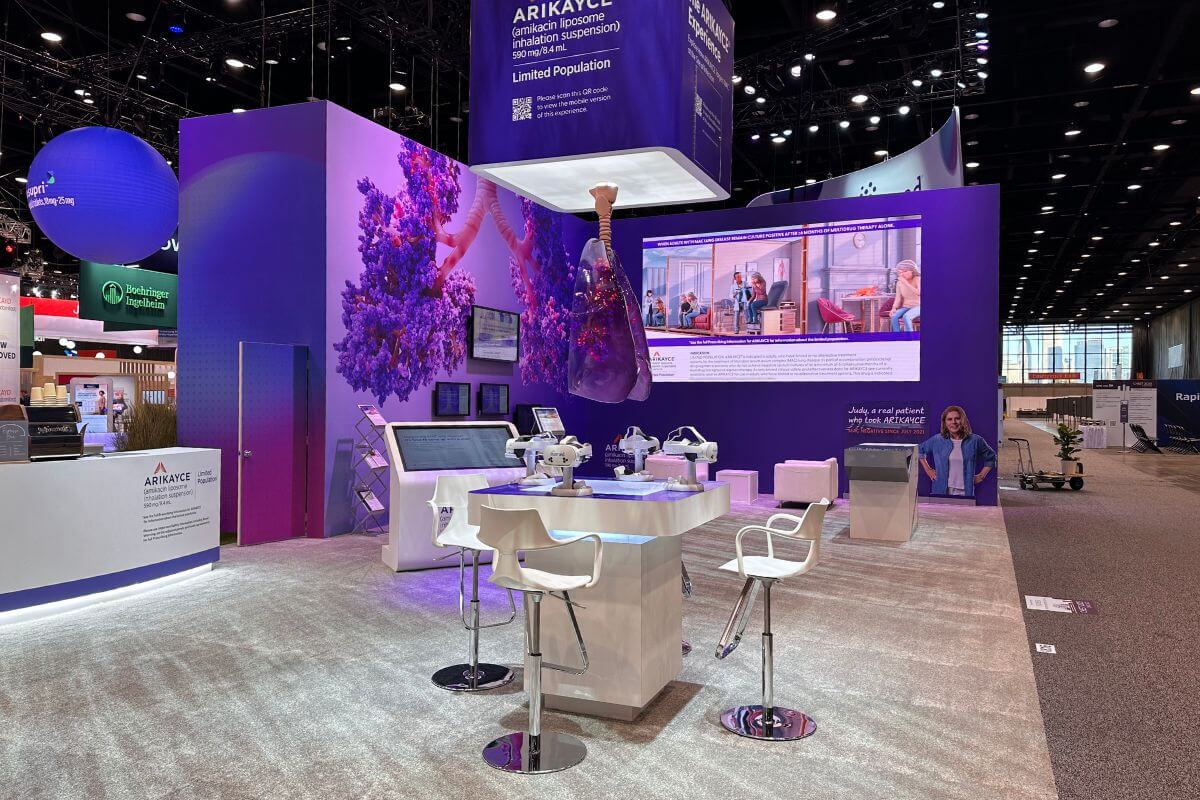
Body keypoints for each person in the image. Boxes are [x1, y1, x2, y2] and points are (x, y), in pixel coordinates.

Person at [919, 405, 996, 498]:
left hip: (965, 492)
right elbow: (919, 450)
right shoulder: (937, 440)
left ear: (963, 420)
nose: (953, 422)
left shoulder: (975, 440)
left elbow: (991, 457)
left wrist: (981, 476)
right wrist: (928, 470)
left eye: (957, 418)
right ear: (945, 422)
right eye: (949, 419)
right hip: (941, 490)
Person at [890, 260, 921, 332]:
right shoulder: (899, 283)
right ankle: (897, 336)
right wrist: (894, 308)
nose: (902, 274)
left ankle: (909, 337)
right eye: (900, 272)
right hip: (906, 306)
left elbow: (919, 293)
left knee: (906, 317)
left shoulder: (918, 279)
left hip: (918, 306)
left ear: (912, 270)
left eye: (905, 271)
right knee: (894, 316)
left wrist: (906, 283)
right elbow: (898, 297)